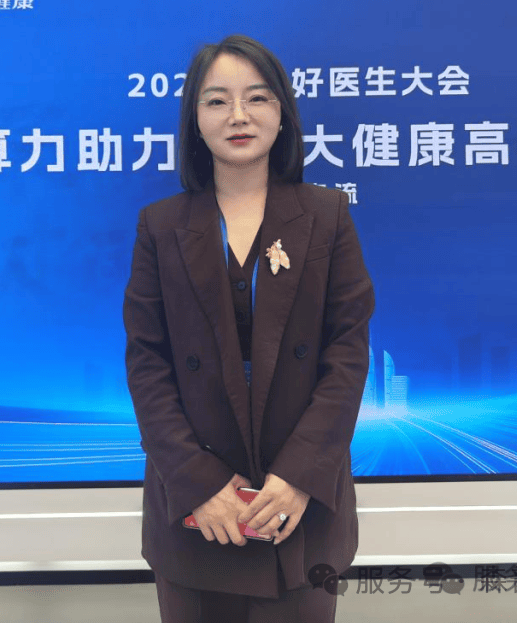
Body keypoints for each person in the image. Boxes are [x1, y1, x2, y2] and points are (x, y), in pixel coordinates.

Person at [124, 34, 375, 622]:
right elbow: (148, 364)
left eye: (256, 97)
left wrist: (298, 477)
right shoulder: (161, 226)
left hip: (299, 509)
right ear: (195, 121)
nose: (238, 115)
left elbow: (347, 355)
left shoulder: (327, 215)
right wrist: (197, 484)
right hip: (197, 517)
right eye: (217, 100)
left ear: (282, 113)